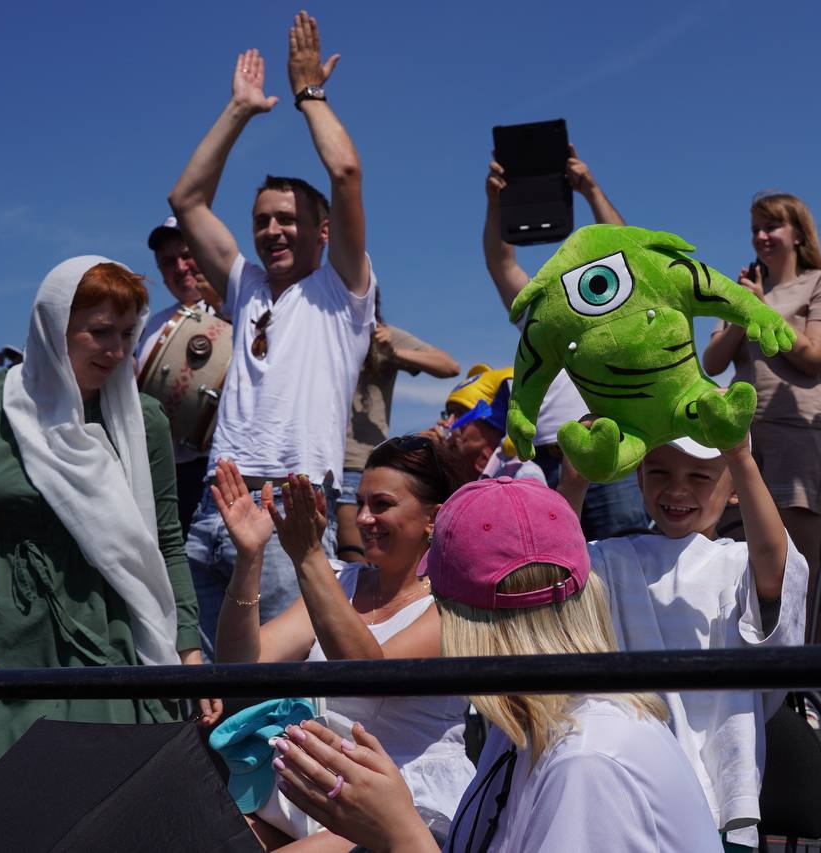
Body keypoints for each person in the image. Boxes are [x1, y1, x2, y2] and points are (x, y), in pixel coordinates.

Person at [0, 257, 217, 839]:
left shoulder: (146, 421)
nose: (115, 351)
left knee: (87, 824)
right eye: (100, 332)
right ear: (53, 328)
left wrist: (189, 648)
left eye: (128, 335)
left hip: (98, 651)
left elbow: (164, 541)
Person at [269, 477, 722, 852]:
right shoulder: (530, 728)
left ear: (467, 619)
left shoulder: (588, 762)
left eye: (441, 602)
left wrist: (400, 834)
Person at [169, 13, 377, 655]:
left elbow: (344, 174)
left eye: (288, 219)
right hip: (216, 498)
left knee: (279, 695)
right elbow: (187, 201)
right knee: (207, 695)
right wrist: (238, 110)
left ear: (322, 231)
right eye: (262, 221)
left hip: (292, 501)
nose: (272, 231)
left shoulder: (342, 290)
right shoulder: (246, 285)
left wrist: (309, 96)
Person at [212, 437, 473, 849]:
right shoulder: (339, 580)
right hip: (310, 792)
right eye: (361, 503)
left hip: (402, 804)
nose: (364, 518)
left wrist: (308, 558)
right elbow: (239, 665)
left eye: (382, 504)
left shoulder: (454, 605)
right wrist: (250, 558)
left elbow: (368, 672)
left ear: (433, 518)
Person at [559, 435, 809, 851]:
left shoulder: (737, 562)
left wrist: (742, 457)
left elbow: (776, 565)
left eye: (699, 476)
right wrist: (574, 482)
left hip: (714, 793)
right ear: (638, 476)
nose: (677, 490)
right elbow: (550, 573)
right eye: (659, 472)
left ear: (734, 490)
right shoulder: (609, 557)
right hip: (619, 781)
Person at [482, 148, 649, 539]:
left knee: (621, 564)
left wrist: (590, 189)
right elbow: (500, 262)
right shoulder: (544, 313)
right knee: (549, 570)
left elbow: (631, 251)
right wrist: (498, 204)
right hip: (543, 462)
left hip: (608, 455)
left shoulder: (623, 309)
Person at [702, 190, 821, 573]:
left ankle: (807, 636)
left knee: (798, 563)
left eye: (772, 226)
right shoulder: (741, 295)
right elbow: (713, 362)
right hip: (741, 439)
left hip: (794, 432)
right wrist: (741, 310)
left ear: (798, 234)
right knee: (736, 558)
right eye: (755, 229)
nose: (761, 237)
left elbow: (814, 355)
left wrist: (762, 308)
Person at [334, 292, 458, 563]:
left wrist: (393, 353)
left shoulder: (379, 336)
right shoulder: (316, 333)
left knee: (357, 560)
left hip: (355, 465)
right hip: (311, 465)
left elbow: (448, 366)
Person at [137, 216, 226, 535]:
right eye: (168, 262)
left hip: (232, 466)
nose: (180, 267)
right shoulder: (147, 329)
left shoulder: (244, 308)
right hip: (175, 474)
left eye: (188, 255)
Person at [435, 366, 545, 484]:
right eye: (448, 414)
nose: (447, 423)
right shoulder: (445, 475)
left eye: (460, 413)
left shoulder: (523, 476)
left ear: (492, 427)